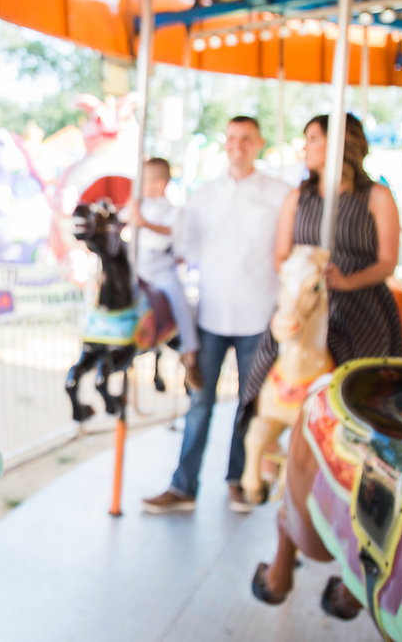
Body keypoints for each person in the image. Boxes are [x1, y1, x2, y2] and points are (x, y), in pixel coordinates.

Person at [142, 116, 293, 515]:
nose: (237, 145)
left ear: (259, 144)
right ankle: (183, 485)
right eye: (231, 139)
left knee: (249, 405)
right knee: (199, 402)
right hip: (210, 314)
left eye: (246, 139)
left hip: (258, 316)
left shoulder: (280, 195)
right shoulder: (203, 195)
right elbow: (183, 249)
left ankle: (239, 481)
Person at [237, 113, 402, 456]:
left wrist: (346, 280)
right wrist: (304, 276)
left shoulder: (376, 196)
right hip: (306, 297)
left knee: (361, 364)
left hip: (359, 300)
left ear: (341, 142)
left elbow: (388, 261)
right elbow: (281, 255)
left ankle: (362, 441)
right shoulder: (299, 198)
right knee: (267, 355)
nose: (306, 146)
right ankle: (258, 430)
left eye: (313, 138)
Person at [130, 157, 202, 390]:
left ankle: (190, 352)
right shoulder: (136, 205)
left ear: (161, 184)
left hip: (159, 267)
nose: (143, 185)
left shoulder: (174, 211)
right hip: (137, 264)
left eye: (148, 181)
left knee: (180, 301)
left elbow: (170, 232)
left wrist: (144, 223)